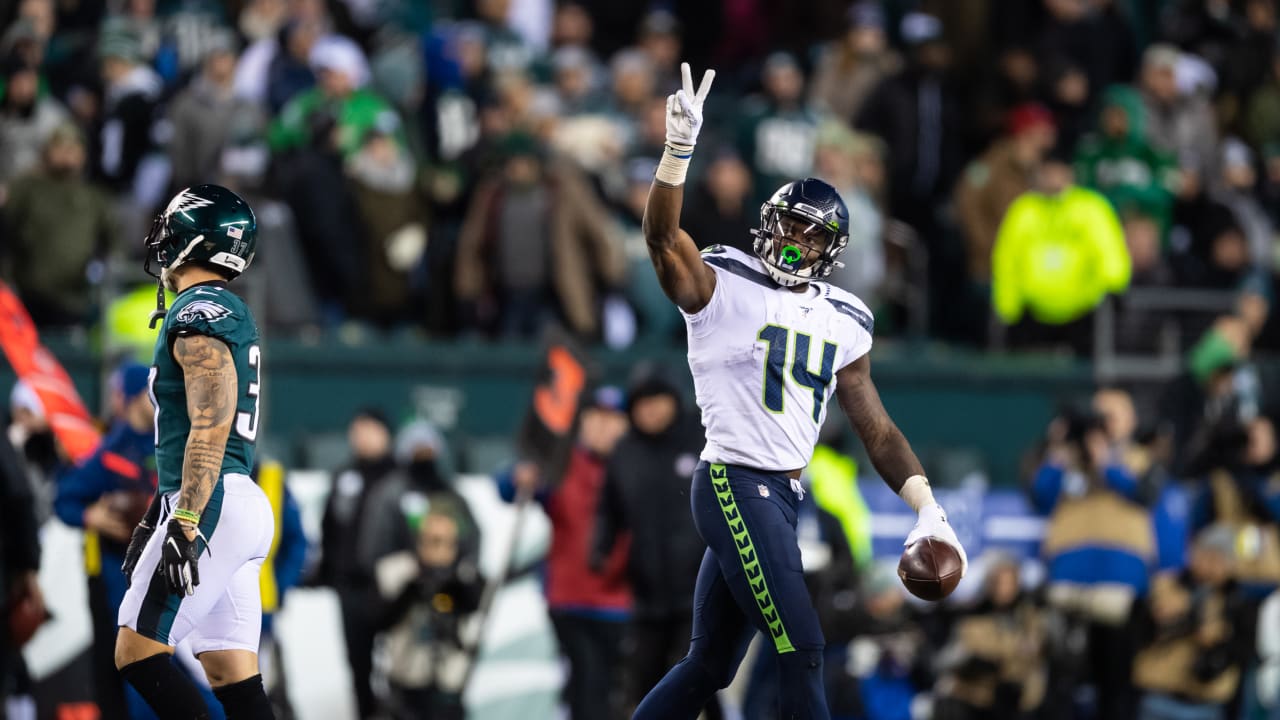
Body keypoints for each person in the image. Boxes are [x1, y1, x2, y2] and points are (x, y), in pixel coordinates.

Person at [632, 63, 966, 720]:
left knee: (709, 666)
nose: (794, 240)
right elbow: (663, 239)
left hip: (783, 493)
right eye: (789, 224)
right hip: (734, 480)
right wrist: (677, 154)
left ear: (832, 249)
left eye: (811, 233)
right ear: (768, 222)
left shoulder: (844, 316)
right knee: (804, 645)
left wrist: (929, 508)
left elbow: (877, 429)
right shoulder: (723, 281)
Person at [113, 184, 275, 719]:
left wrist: (184, 518)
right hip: (231, 499)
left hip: (212, 500)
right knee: (231, 672)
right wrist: (161, 510)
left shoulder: (199, 307)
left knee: (137, 651)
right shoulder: (213, 306)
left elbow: (212, 418)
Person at [593, 365, 720, 718]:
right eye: (642, 403)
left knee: (698, 678)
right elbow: (609, 509)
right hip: (647, 595)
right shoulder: (625, 452)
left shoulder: (703, 439)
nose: (651, 410)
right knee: (643, 683)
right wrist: (600, 547)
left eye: (657, 400)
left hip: (699, 593)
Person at [54, 362, 158, 720]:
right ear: (131, 397)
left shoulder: (173, 441)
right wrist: (91, 516)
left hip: (169, 576)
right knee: (125, 673)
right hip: (119, 579)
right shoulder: (112, 449)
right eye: (148, 390)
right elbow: (65, 498)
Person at [315, 408, 399, 719]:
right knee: (358, 663)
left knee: (401, 667)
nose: (360, 437)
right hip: (351, 586)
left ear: (385, 434)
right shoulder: (344, 476)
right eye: (356, 430)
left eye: (368, 429)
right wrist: (327, 570)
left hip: (394, 587)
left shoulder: (399, 477)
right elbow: (330, 526)